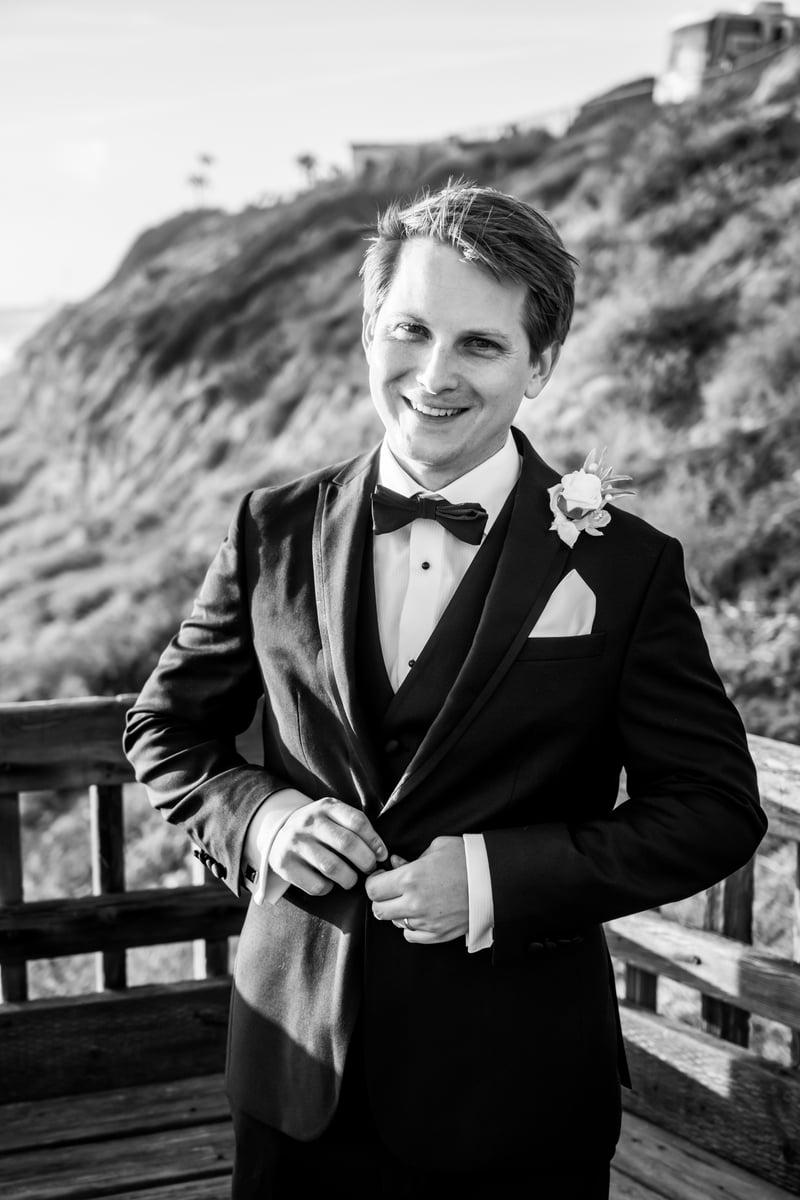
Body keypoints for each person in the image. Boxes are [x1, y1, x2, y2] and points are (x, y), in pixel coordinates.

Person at [124, 183, 766, 1199]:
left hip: (515, 1090)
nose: (433, 374)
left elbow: (713, 807)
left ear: (538, 366)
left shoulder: (625, 566)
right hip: (294, 1064)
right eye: (411, 330)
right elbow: (166, 728)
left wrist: (496, 880)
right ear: (367, 331)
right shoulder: (270, 529)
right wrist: (264, 820)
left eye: (480, 344)